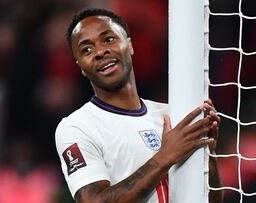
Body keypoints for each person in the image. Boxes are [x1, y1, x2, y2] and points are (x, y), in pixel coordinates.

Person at [55, 8, 223, 203]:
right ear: (81, 67)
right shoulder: (76, 127)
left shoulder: (171, 114)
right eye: (87, 50)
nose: (100, 52)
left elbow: (210, 201)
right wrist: (165, 156)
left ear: (130, 44)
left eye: (109, 39)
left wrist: (207, 155)